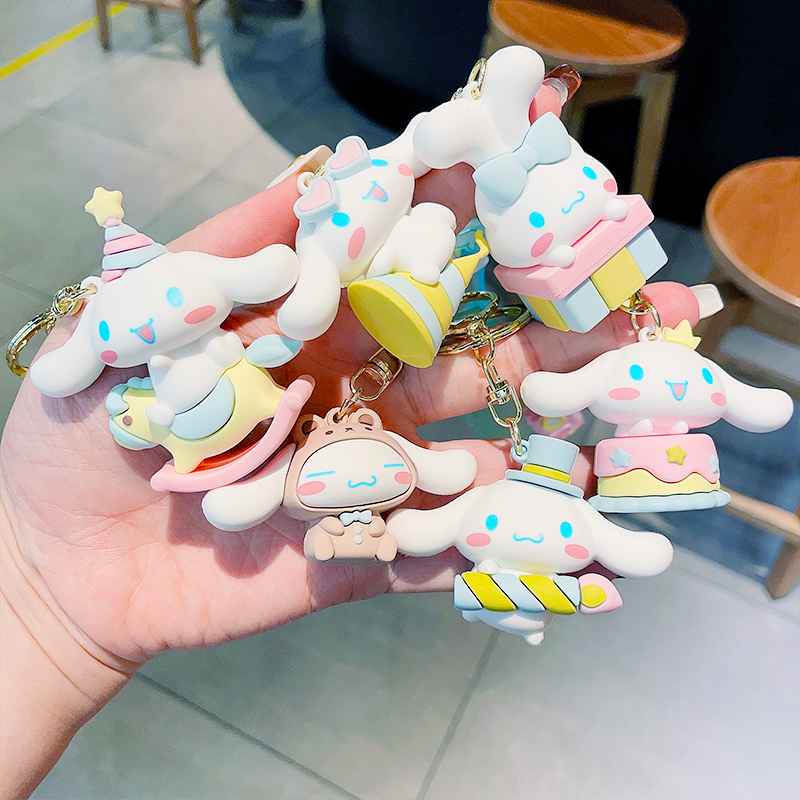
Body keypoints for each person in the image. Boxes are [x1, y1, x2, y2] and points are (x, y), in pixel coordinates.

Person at [0, 160, 700, 800]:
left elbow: (426, 475)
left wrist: (39, 612)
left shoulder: (248, 365)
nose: (167, 323)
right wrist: (37, 600)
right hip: (240, 446)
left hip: (279, 423)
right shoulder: (193, 378)